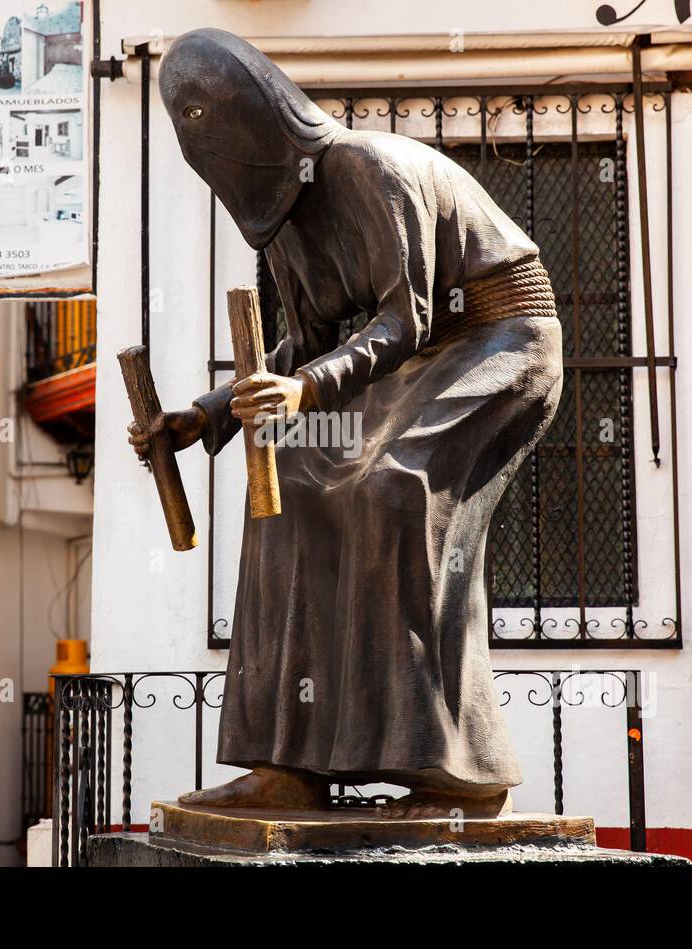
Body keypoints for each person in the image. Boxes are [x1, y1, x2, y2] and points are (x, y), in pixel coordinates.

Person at [129, 29, 563, 819]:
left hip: (501, 338)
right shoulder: (283, 223)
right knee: (290, 483)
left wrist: (302, 395)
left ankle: (459, 771)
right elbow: (312, 341)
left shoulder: (370, 166)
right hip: (422, 349)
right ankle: (288, 767)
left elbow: (404, 321)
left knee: (397, 492)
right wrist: (205, 416)